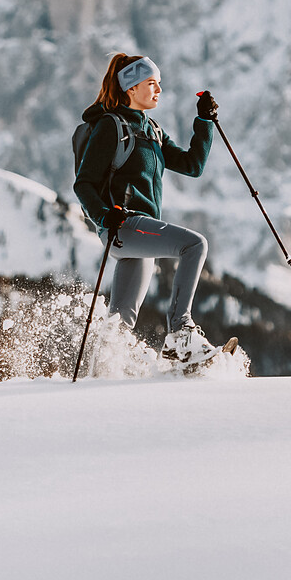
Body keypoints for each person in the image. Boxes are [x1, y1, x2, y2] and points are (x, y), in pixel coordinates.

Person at [72, 53, 222, 366]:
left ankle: (105, 367)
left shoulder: (152, 130)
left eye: (159, 84)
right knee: (195, 245)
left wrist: (204, 122)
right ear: (130, 88)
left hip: (139, 231)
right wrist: (103, 215)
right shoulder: (109, 127)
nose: (158, 90)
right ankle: (181, 333)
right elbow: (83, 184)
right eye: (151, 83)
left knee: (120, 321)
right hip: (123, 226)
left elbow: (192, 166)